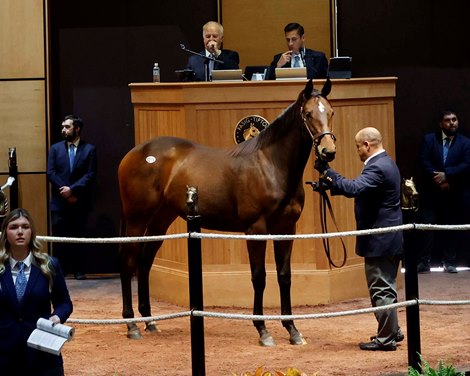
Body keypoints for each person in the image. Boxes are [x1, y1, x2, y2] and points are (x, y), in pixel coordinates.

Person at [315, 127, 403, 351]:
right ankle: (392, 331)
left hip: (380, 240)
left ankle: (386, 339)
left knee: (381, 289)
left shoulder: (378, 167)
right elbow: (365, 191)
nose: (357, 151)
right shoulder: (386, 163)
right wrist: (329, 185)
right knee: (386, 287)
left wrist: (329, 172)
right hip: (389, 238)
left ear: (367, 145)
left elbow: (355, 188)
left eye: (357, 147)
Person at [0, 208, 73, 375]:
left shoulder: (49, 265)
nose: (20, 232)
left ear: (31, 231)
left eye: (25, 227)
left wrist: (58, 316)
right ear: (5, 233)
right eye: (14, 227)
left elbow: (64, 302)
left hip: (42, 355)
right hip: (4, 354)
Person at [417, 110, 470, 274]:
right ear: (441, 123)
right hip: (432, 193)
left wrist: (447, 176)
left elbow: (467, 164)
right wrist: (438, 179)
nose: (452, 123)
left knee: (451, 229)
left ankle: (449, 262)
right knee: (427, 229)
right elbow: (423, 161)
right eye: (448, 120)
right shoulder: (429, 139)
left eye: (454, 120)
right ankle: (424, 262)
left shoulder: (465, 142)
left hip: (454, 194)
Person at [47, 115, 97, 280]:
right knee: (60, 239)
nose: (63, 130)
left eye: (67, 127)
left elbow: (90, 175)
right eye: (63, 127)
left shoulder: (89, 149)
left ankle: (79, 271)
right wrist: (65, 191)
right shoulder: (55, 148)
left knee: (79, 238)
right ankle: (59, 272)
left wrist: (73, 190)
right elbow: (51, 173)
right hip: (59, 202)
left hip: (79, 201)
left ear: (77, 129)